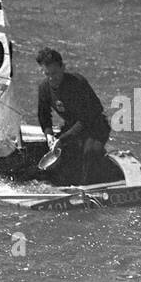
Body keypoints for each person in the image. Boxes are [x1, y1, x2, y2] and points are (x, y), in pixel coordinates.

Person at [35, 48, 114, 185]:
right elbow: (44, 115)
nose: (51, 78)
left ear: (63, 68)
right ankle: (62, 183)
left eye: (54, 73)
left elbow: (86, 119)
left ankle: (91, 184)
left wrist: (62, 139)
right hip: (72, 127)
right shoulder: (44, 88)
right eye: (47, 74)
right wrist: (49, 135)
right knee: (61, 155)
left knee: (90, 153)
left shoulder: (78, 83)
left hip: (95, 126)